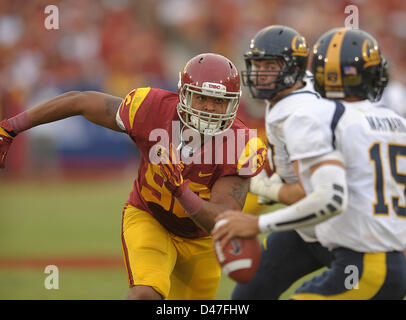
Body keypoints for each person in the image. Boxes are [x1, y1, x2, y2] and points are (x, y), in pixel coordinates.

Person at [0, 53, 267, 300]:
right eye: (202, 98)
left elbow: (220, 221)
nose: (209, 108)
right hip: (150, 217)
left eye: (219, 101)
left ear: (233, 104)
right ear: (184, 95)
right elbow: (80, 101)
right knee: (145, 295)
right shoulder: (151, 109)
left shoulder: (241, 143)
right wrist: (11, 127)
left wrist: (180, 190)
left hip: (201, 240)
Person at [213, 28, 406, 300]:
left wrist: (258, 220)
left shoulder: (321, 116)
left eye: (270, 65)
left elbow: (328, 199)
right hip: (364, 248)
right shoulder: (396, 120)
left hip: (364, 256)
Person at [223, 24, 334, 300]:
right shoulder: (293, 91)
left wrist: (262, 187)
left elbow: (310, 193)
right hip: (303, 228)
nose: (260, 75)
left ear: (293, 68)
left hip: (339, 231)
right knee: (247, 296)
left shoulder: (300, 115)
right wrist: (275, 180)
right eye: (257, 65)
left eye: (270, 66)